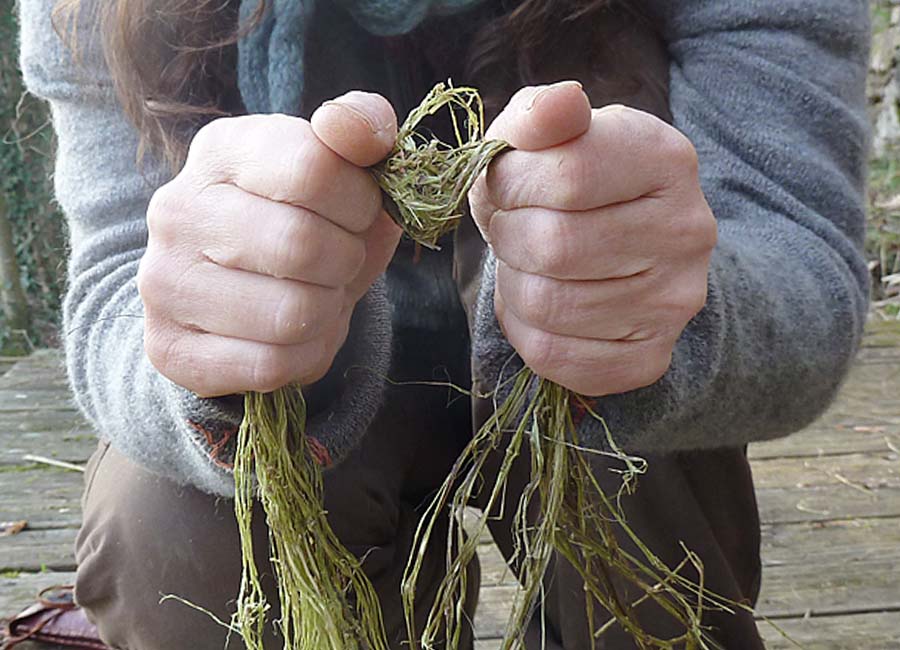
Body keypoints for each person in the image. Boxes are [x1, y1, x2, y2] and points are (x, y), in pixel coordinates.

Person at [17, 0, 870, 648]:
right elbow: (116, 285)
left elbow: (799, 256)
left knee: (640, 484)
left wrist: (656, 307)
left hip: (600, 395)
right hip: (326, 389)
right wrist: (211, 356)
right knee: (172, 528)